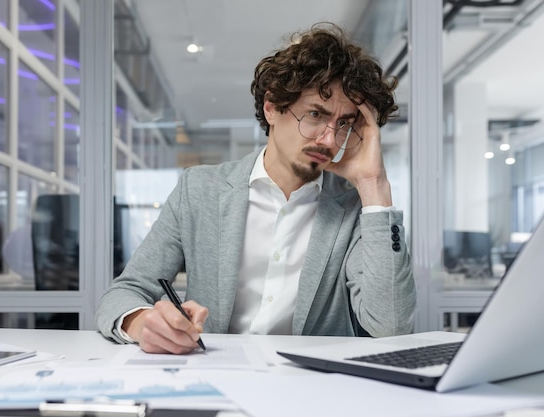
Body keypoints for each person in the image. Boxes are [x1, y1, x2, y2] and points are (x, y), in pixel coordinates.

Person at [96, 22, 416, 354]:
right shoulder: (199, 190)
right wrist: (141, 321)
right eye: (315, 115)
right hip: (216, 376)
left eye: (345, 124)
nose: (329, 139)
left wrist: (373, 184)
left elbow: (390, 327)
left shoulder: (354, 206)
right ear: (272, 107)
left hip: (313, 390)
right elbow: (124, 292)